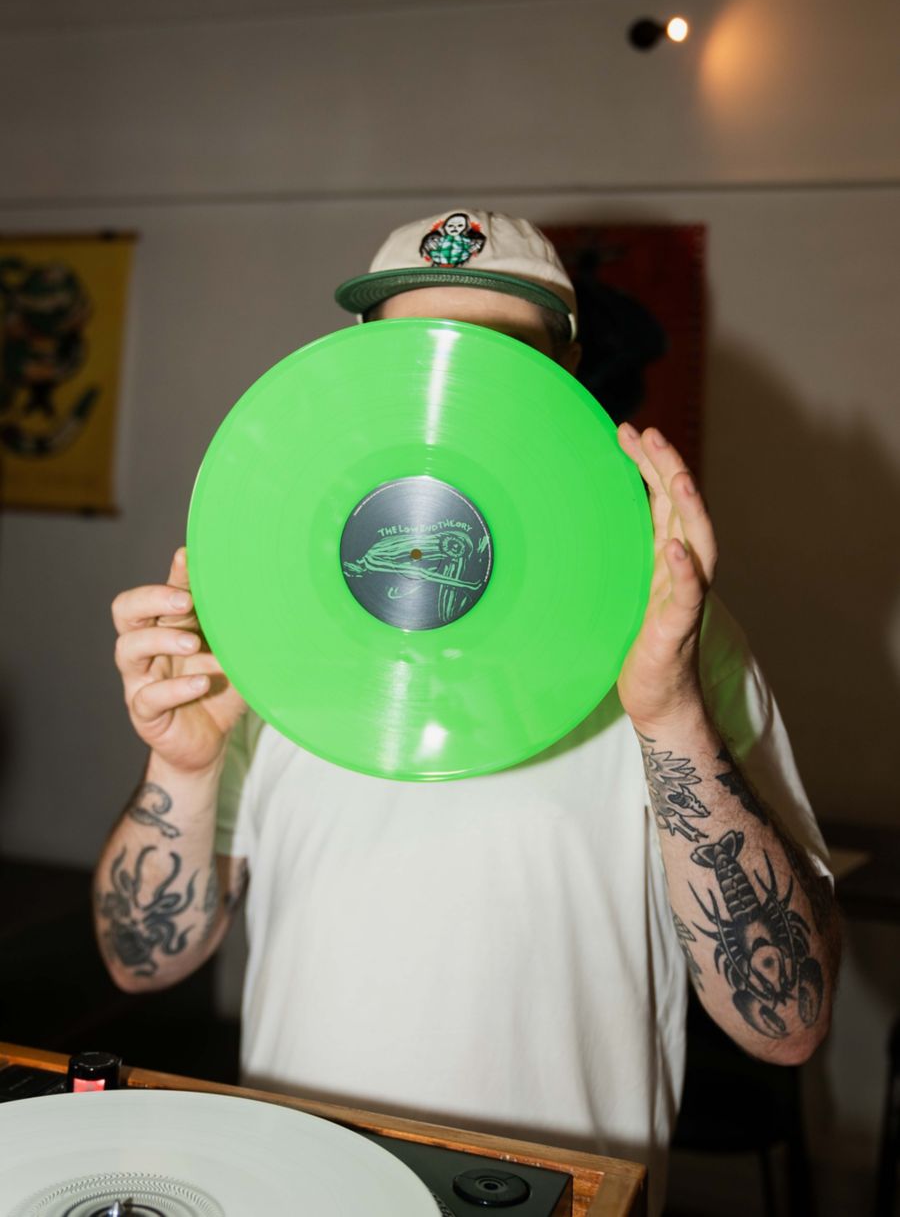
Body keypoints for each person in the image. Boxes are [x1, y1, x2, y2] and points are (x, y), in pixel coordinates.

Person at [96, 209, 839, 1215]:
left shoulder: (680, 640)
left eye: (505, 358)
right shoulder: (263, 620)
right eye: (422, 349)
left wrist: (670, 717)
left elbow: (785, 1024)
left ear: (568, 380)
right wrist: (182, 770)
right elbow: (143, 961)